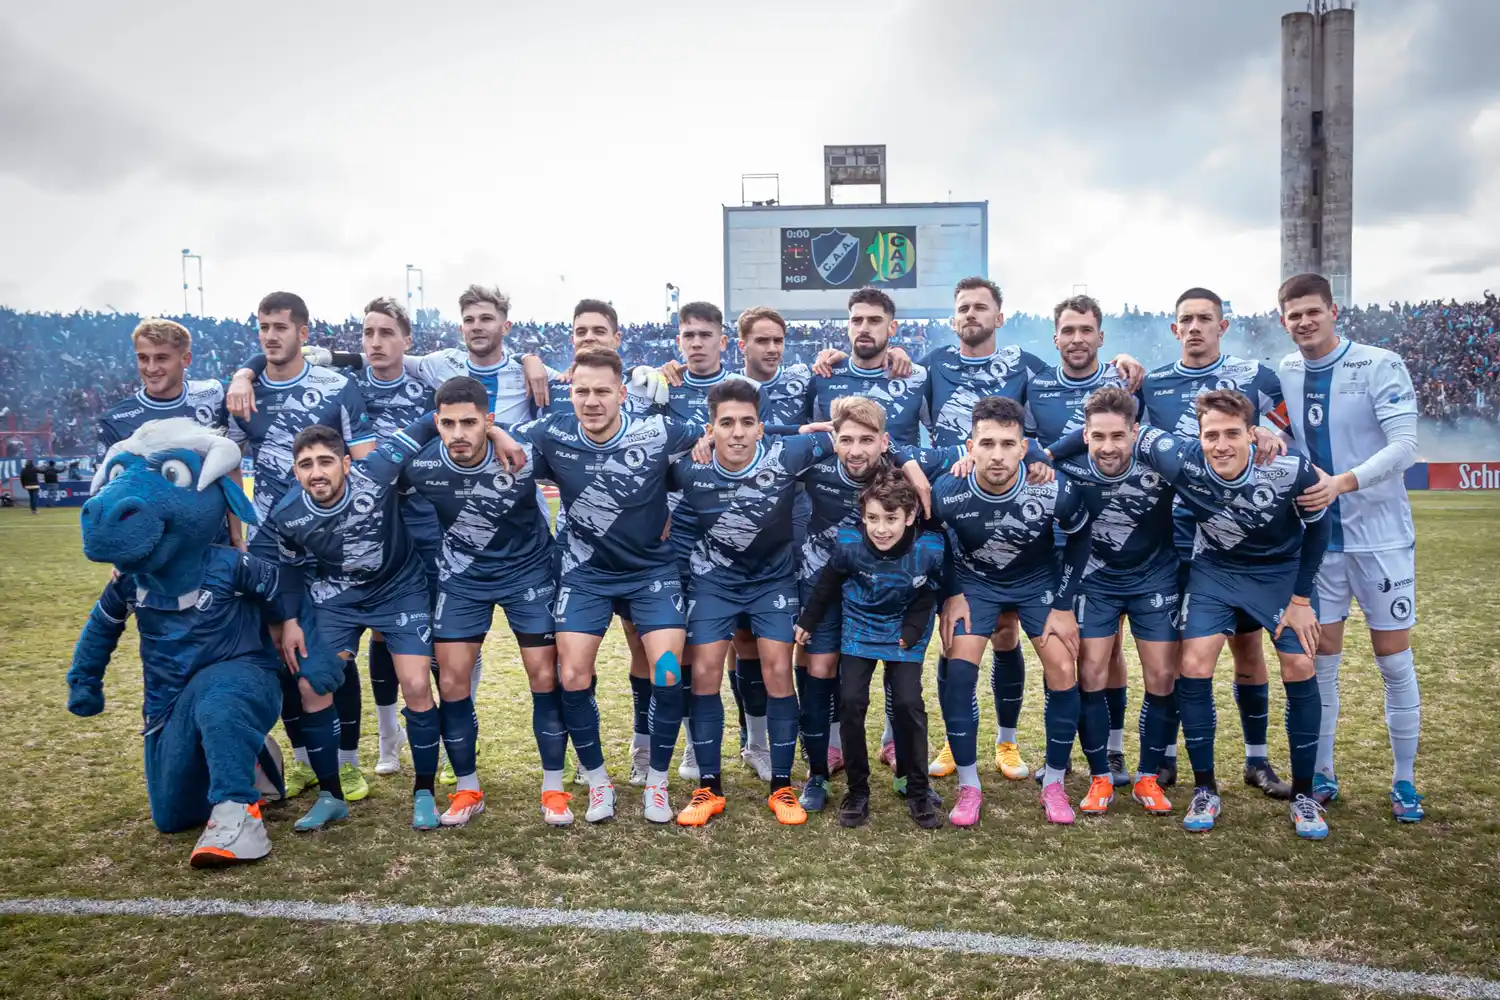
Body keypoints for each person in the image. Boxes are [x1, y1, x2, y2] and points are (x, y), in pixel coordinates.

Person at [1050, 286, 1295, 797]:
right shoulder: (1153, 382)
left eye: (1206, 318)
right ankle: (1151, 762)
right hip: (1175, 532)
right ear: (1174, 328)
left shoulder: (1256, 375)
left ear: (1222, 324)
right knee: (1141, 656)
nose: (1196, 327)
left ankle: (1256, 758)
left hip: (1220, 537)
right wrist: (1046, 455)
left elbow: (1281, 435)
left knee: (1239, 647)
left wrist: (1271, 433)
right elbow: (1106, 423)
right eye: (1187, 319)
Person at [252, 420, 511, 833]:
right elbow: (289, 567)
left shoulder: (377, 470)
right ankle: (331, 796)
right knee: (311, 687)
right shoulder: (288, 513)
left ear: (346, 463)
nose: (316, 472)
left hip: (399, 592)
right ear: (295, 470)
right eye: (305, 465)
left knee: (417, 685)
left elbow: (430, 421)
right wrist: (290, 620)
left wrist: (495, 433)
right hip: (336, 600)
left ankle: (423, 792)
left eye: (325, 462)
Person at [69, 418, 286, 868]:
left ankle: (239, 815)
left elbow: (282, 591)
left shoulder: (230, 566)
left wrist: (299, 635)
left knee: (221, 700)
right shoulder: (130, 582)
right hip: (167, 699)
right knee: (173, 816)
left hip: (239, 674)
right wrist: (84, 679)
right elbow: (101, 627)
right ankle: (257, 758)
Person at [506, 348, 703, 824]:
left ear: (621, 393)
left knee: (671, 671)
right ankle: (597, 782)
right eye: (581, 391)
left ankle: (656, 784)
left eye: (601, 391)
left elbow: (716, 436)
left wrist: (677, 497)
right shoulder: (552, 432)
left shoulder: (657, 431)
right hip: (585, 572)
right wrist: (492, 429)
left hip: (651, 571)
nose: (591, 401)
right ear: (568, 392)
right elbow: (498, 438)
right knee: (572, 674)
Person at [1132, 390, 1331, 839]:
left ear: (1252, 434)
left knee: (1299, 663)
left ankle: (1304, 795)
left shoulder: (1288, 467)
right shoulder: (1181, 457)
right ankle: (1205, 788)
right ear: (1197, 436)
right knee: (1194, 663)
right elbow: (1122, 431)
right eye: (1211, 435)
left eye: (1232, 434)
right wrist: (1041, 456)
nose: (1221, 444)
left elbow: (1321, 529)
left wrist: (1301, 601)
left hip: (1278, 574)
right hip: (1215, 570)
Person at [1276, 272, 1425, 822]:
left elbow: (1406, 445)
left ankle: (1405, 781)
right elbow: (1274, 430)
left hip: (1381, 539)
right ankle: (1323, 773)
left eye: (1313, 311)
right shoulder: (1286, 371)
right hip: (1320, 544)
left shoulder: (1378, 363)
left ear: (1333, 311)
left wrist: (1342, 482)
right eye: (1294, 315)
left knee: (1393, 660)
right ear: (1283, 321)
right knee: (1323, 663)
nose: (1304, 322)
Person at [662, 378, 833, 826]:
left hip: (771, 581)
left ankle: (782, 786)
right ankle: (709, 787)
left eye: (747, 423)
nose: (737, 432)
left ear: (762, 428)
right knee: (704, 674)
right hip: (713, 582)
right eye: (726, 424)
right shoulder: (688, 469)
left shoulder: (790, 454)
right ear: (710, 429)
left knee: (778, 670)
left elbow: (853, 437)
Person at [227, 291, 376, 802]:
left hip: (329, 550)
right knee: (282, 654)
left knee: (337, 657)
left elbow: (367, 462)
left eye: (280, 327)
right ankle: (303, 761)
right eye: (263, 327)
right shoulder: (242, 396)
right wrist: (236, 527)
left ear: (303, 333)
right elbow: (226, 461)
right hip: (273, 551)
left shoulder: (338, 387)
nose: (270, 336)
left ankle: (347, 762)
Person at [403, 377, 567, 825]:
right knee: (453, 682)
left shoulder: (523, 453)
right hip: (461, 579)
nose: (459, 433)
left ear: (488, 421)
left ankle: (554, 788)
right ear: (436, 423)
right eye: (449, 423)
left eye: (471, 423)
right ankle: (467, 788)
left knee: (543, 677)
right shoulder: (420, 465)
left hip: (528, 574)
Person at [931, 396, 1090, 826]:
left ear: (1024, 448)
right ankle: (969, 786)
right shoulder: (948, 489)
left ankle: (1054, 782)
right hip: (975, 584)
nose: (996, 454)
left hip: (1036, 583)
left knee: (1062, 666)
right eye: (987, 443)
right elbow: (934, 541)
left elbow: (1080, 537)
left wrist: (1063, 605)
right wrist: (952, 592)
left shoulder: (1052, 486)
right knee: (959, 668)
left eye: (1007, 444)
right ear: (970, 446)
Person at [795, 396, 953, 801]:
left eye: (867, 440)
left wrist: (1035, 457)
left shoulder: (900, 468)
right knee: (821, 674)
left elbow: (964, 449)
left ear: (884, 442)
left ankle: (903, 767)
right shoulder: (817, 465)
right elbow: (763, 438)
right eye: (846, 439)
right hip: (822, 585)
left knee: (902, 692)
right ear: (833, 438)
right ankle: (818, 774)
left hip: (885, 596)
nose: (856, 451)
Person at [1052, 387, 1183, 815]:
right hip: (1096, 582)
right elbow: (1030, 458)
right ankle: (1100, 779)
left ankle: (1147, 777)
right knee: (1090, 671)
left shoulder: (1158, 465)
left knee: (1163, 675)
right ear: (1085, 435)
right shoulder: (1068, 469)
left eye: (1118, 436)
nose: (1109, 447)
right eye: (1099, 436)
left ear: (1135, 434)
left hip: (1154, 577)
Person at [97, 319, 235, 538]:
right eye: (143, 358)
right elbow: (112, 493)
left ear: (186, 359)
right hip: (150, 551)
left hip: (214, 544)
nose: (151, 368)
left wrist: (238, 537)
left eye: (161, 358)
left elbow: (229, 472)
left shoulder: (213, 396)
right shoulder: (116, 419)